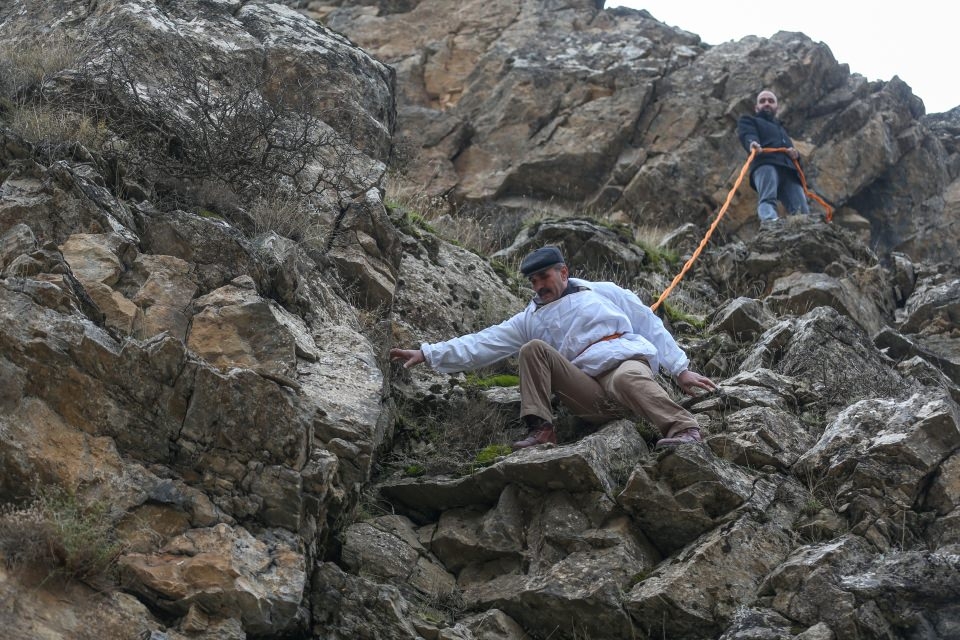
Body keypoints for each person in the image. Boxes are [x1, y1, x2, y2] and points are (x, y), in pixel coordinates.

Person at [389, 246, 718, 450]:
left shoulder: (604, 291)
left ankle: (684, 429)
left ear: (563, 272)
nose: (538, 286)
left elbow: (648, 323)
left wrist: (681, 369)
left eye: (543, 277)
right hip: (588, 392)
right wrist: (428, 353)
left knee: (627, 378)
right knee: (532, 349)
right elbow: (482, 343)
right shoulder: (529, 318)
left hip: (623, 365)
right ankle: (541, 430)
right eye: (532, 281)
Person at [737, 90, 810, 225]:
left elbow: (796, 159)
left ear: (776, 106)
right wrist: (752, 143)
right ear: (756, 107)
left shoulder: (781, 129)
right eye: (762, 101)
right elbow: (747, 134)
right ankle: (770, 223)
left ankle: (805, 230)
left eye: (771, 101)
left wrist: (796, 155)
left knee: (802, 209)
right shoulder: (749, 120)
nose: (767, 103)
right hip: (766, 164)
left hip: (789, 170)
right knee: (767, 198)